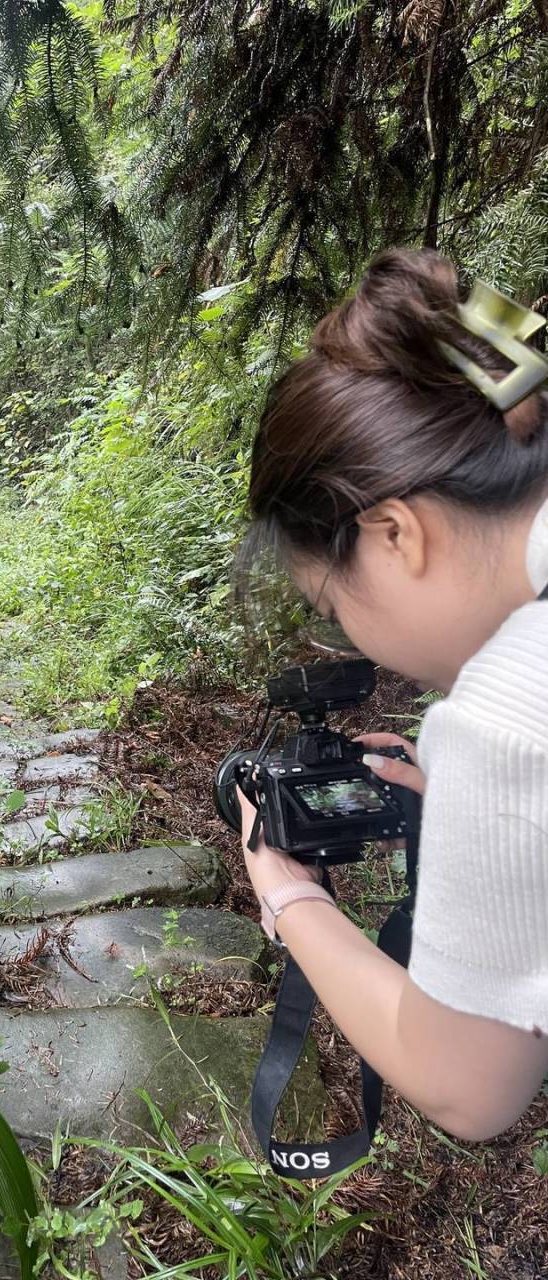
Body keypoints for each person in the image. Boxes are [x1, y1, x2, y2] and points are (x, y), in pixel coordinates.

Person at [236, 248, 548, 1142]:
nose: (354, 637)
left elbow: (465, 1089)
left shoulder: (508, 712)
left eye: (333, 608)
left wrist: (288, 891)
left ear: (395, 533)